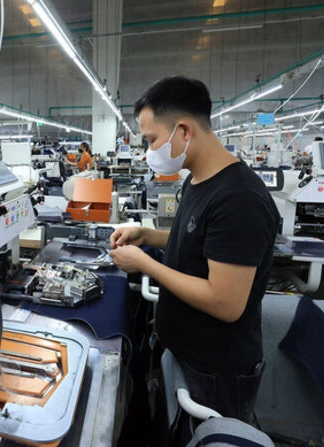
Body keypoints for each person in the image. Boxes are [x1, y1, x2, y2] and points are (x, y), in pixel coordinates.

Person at [108, 76, 280, 424]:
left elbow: (225, 302)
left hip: (217, 370)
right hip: (186, 353)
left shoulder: (239, 198)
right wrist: (147, 235)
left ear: (184, 131)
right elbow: (195, 241)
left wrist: (144, 264)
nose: (149, 151)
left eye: (151, 140)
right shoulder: (198, 179)